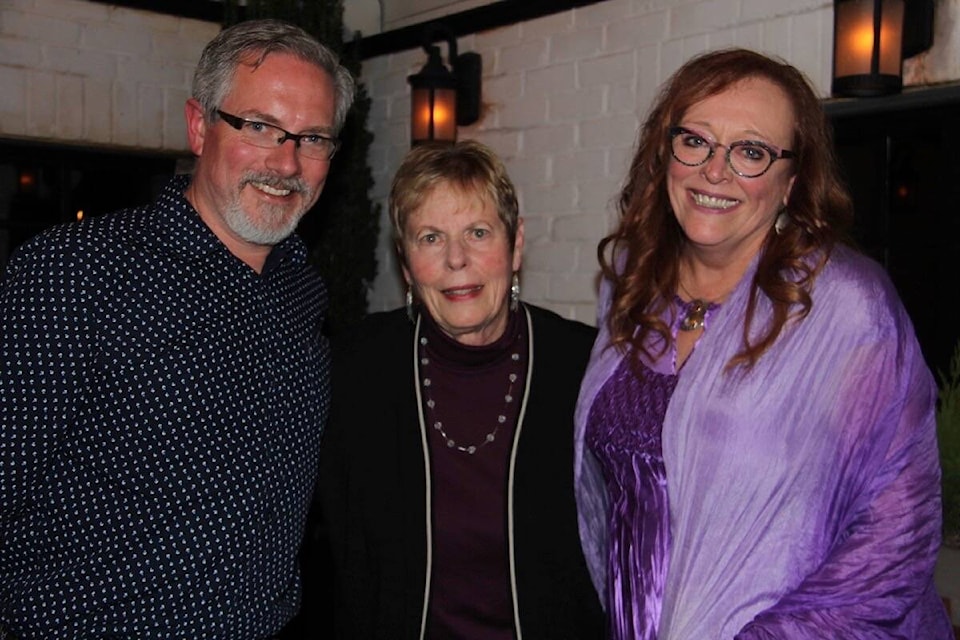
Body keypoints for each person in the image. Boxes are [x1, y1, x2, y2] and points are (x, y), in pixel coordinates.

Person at [574, 48, 953, 639]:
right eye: (695, 140)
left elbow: (895, 533)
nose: (715, 171)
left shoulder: (847, 308)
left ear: (790, 183)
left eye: (751, 151)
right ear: (665, 152)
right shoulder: (630, 284)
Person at [0, 19, 354, 638]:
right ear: (199, 126)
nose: (287, 161)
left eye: (314, 138)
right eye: (260, 127)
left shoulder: (303, 291)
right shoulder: (73, 273)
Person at [318, 140, 605, 639]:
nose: (457, 260)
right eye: (430, 237)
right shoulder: (355, 370)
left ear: (515, 246)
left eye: (478, 232)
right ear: (406, 265)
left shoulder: (584, 366)